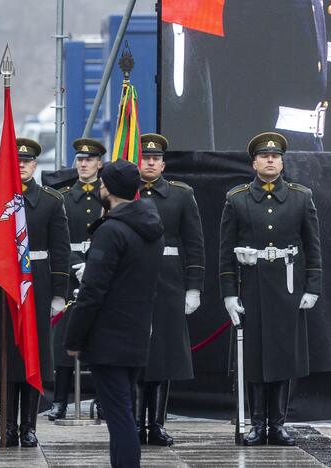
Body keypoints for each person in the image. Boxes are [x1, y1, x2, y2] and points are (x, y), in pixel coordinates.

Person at [219, 132, 322, 446]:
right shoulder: (236, 198)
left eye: (275, 156)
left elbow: (312, 246)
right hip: (251, 286)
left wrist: (312, 286)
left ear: (282, 161)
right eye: (264, 156)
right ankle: (257, 424)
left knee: (282, 357)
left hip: (287, 287)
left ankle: (278, 425)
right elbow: (225, 251)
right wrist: (229, 294)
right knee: (253, 359)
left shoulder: (300, 196)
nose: (270, 160)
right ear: (254, 162)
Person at [64, 159, 164, 468]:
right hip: (135, 334)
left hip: (108, 339)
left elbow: (93, 292)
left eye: (103, 183)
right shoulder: (151, 228)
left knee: (120, 418)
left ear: (111, 189)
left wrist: (74, 337)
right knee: (125, 414)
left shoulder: (112, 231)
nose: (100, 188)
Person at [0, 138, 71, 448]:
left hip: (36, 285)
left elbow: (60, 250)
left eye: (27, 162)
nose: (22, 166)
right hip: (3, 285)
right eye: (16, 162)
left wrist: (58, 293)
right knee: (6, 357)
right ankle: (8, 427)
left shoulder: (51, 201)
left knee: (33, 355)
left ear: (35, 166)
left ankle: (29, 426)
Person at [135, 133, 206, 446]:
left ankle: (157, 423)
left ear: (163, 164)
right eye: (145, 158)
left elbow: (195, 244)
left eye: (155, 159)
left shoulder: (181, 194)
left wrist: (194, 288)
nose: (150, 163)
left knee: (163, 356)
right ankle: (136, 423)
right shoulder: (126, 194)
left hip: (168, 283)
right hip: (133, 283)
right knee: (136, 355)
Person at [47, 138, 106, 421]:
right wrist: (75, 266)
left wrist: (94, 266)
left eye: (89, 160)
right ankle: (59, 400)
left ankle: (104, 400)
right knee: (64, 340)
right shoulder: (64, 197)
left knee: (102, 340)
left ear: (99, 164)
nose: (83, 164)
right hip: (70, 278)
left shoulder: (108, 196)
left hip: (101, 275)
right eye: (80, 160)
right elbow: (58, 241)